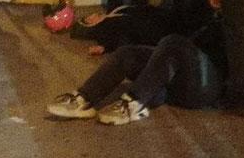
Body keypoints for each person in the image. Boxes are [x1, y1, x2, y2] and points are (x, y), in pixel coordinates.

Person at [47, 19, 226, 125]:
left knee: (174, 42)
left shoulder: (238, 22)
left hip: (208, 83)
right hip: (180, 75)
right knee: (127, 53)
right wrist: (205, 1)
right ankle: (84, 99)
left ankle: (134, 104)